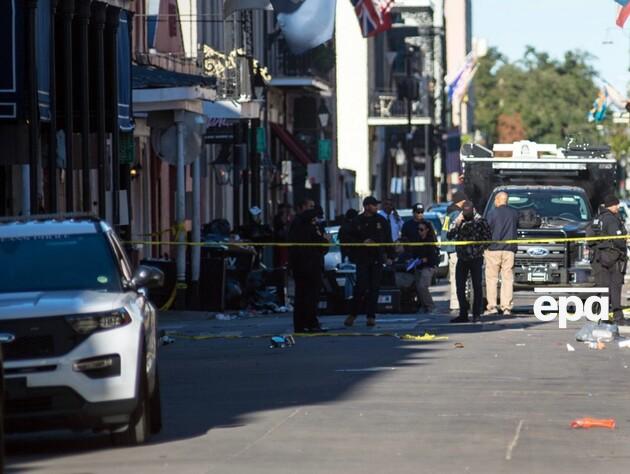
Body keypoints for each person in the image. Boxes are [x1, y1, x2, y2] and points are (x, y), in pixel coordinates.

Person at [344, 196, 394, 327]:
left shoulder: (381, 221)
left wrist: (390, 256)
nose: (376, 208)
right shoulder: (357, 221)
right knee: (361, 287)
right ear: (366, 206)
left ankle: (371, 316)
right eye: (373, 205)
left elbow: (388, 239)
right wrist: (362, 243)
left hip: (377, 258)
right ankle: (352, 314)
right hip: (362, 258)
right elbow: (347, 238)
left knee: (374, 288)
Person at [447, 201, 492, 323]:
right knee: (459, 286)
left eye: (467, 213)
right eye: (464, 213)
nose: (466, 216)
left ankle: (476, 314)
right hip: (462, 258)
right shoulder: (459, 219)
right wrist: (457, 222)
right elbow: (449, 235)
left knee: (477, 286)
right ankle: (463, 313)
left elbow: (488, 238)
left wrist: (479, 249)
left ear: (473, 210)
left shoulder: (480, 221)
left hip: (476, 258)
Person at [288, 208, 329, 332]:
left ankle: (300, 325)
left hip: (298, 267)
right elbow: (322, 247)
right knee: (311, 296)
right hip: (312, 267)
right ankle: (311, 323)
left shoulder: (295, 229)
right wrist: (326, 239)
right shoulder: (312, 230)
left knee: (300, 296)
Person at [592, 195, 628, 325]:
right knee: (615, 287)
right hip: (613, 257)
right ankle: (618, 317)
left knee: (604, 287)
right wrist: (624, 246)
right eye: (616, 204)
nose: (618, 207)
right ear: (611, 205)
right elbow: (618, 240)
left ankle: (603, 315)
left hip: (600, 257)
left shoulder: (598, 218)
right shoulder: (612, 220)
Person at [484, 191, 519, 316]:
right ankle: (506, 307)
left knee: (492, 279)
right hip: (509, 250)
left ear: (498, 200)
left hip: (493, 249)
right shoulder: (514, 213)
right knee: (507, 279)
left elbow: (486, 230)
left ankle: (492, 306)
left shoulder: (492, 213)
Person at [442, 191, 469, 313]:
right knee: (459, 278)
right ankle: (459, 302)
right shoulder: (458, 214)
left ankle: (454, 303)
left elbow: (445, 231)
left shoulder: (448, 214)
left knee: (453, 278)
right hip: (457, 249)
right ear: (461, 201)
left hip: (450, 249)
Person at [410, 222, 440, 312]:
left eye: (422, 229)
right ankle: (424, 306)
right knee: (419, 287)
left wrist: (424, 259)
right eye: (418, 229)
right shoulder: (417, 240)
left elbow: (432, 257)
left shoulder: (430, 241)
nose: (420, 231)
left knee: (423, 286)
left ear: (427, 230)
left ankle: (431, 306)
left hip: (428, 267)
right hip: (419, 267)